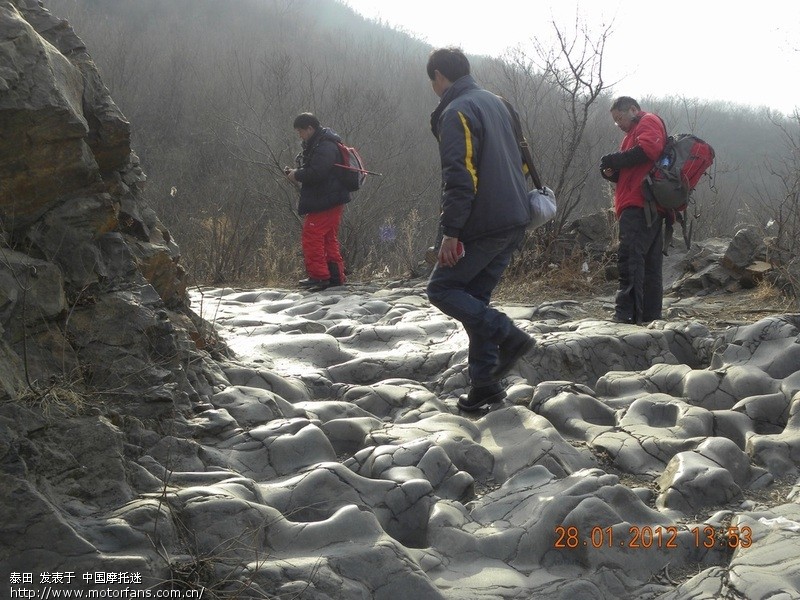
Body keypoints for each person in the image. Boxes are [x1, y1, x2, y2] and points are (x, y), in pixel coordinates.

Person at [425, 47, 535, 412]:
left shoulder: (457, 110)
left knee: (442, 289)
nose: (433, 88)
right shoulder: (497, 102)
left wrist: (450, 232)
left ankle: (511, 336)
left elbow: (460, 176)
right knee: (474, 299)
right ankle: (485, 385)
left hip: (485, 222)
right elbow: (522, 159)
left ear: (439, 76)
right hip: (515, 215)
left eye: (433, 81)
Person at [600, 96, 667, 324]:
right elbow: (635, 168)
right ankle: (649, 316)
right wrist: (613, 172)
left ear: (632, 109)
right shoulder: (631, 135)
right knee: (648, 263)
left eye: (619, 118)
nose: (618, 124)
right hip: (645, 204)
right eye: (615, 121)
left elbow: (649, 150)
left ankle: (626, 315)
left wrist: (615, 159)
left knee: (630, 260)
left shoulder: (647, 121)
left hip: (640, 205)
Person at [285, 112, 349, 290]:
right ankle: (335, 277)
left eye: (300, 131)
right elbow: (317, 169)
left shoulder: (324, 145)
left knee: (312, 236)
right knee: (328, 238)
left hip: (325, 200)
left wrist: (296, 174)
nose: (299, 135)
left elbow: (317, 173)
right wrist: (297, 172)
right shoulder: (322, 142)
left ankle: (320, 276)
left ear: (310, 128)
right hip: (330, 198)